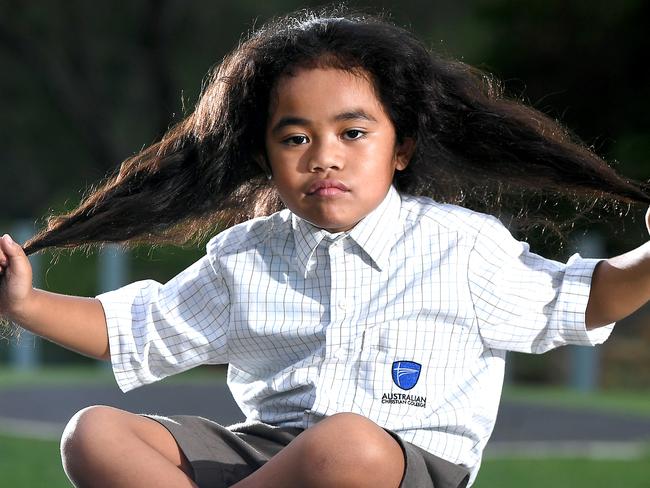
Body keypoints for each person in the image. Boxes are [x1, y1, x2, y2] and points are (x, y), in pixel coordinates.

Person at [1, 8, 649, 488]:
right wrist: (26, 305)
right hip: (268, 456)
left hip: (400, 463)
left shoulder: (461, 247)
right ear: (266, 156)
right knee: (93, 433)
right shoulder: (245, 258)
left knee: (348, 446)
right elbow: (135, 331)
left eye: (353, 132)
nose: (324, 156)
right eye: (295, 138)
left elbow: (583, 299)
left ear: (401, 147)